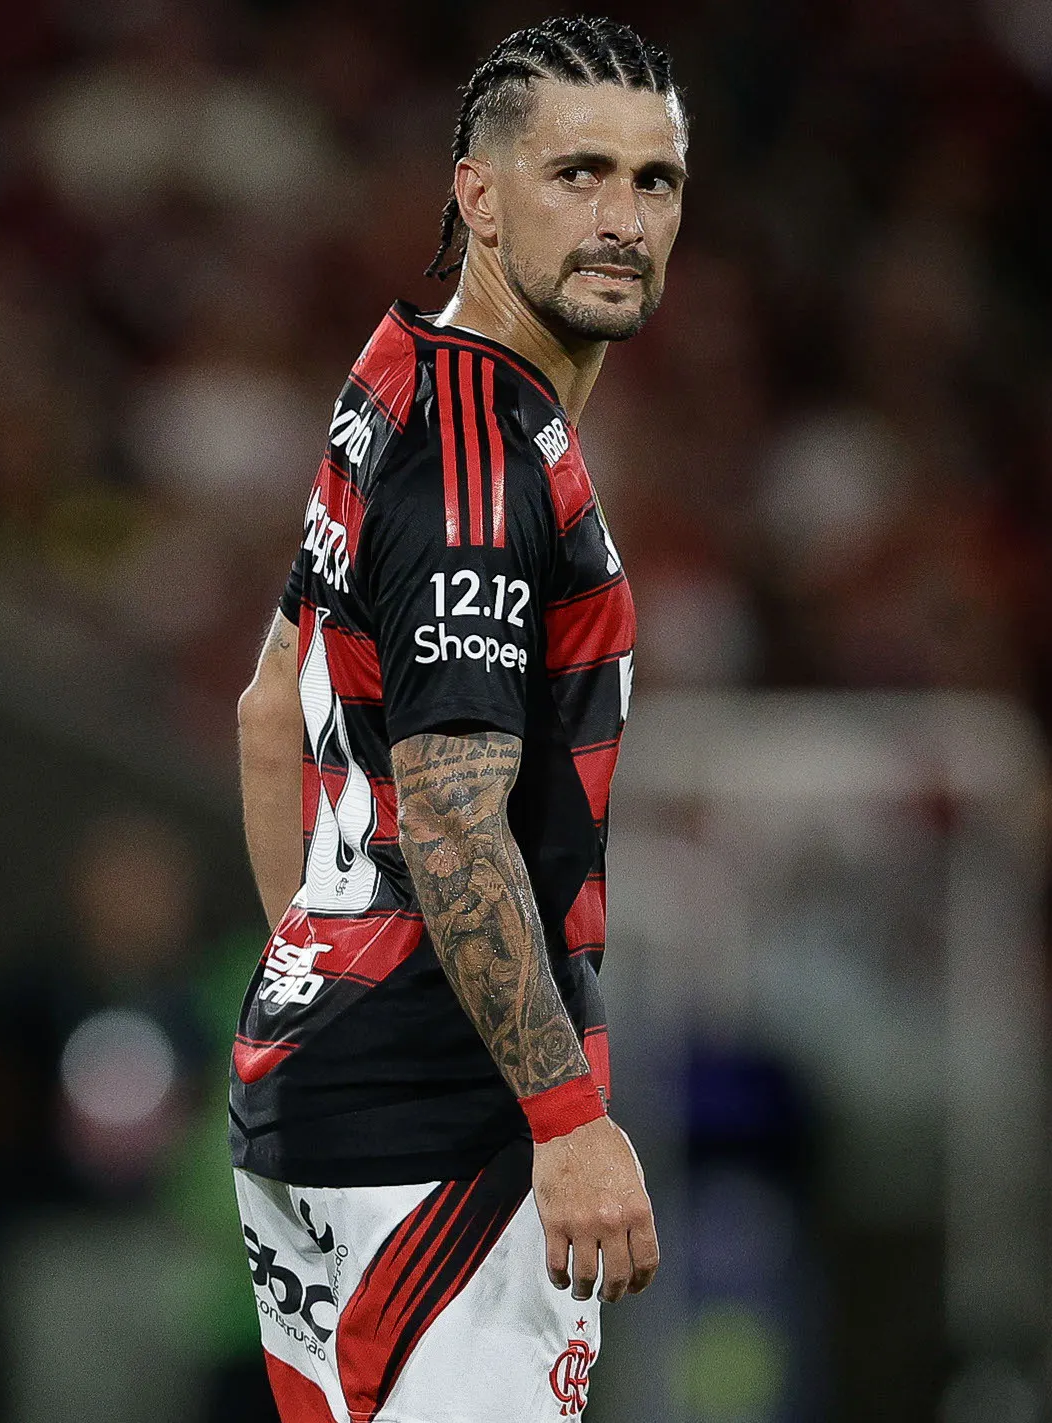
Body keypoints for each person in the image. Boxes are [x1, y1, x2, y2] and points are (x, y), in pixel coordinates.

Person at [229, 17, 683, 1420]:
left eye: (653, 183)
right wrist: (567, 1117)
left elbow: (265, 708)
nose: (620, 221)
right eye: (578, 174)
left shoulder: (402, 380)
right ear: (478, 197)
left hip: (326, 1087)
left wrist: (326, 971)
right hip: (442, 1128)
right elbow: (449, 811)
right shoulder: (484, 460)